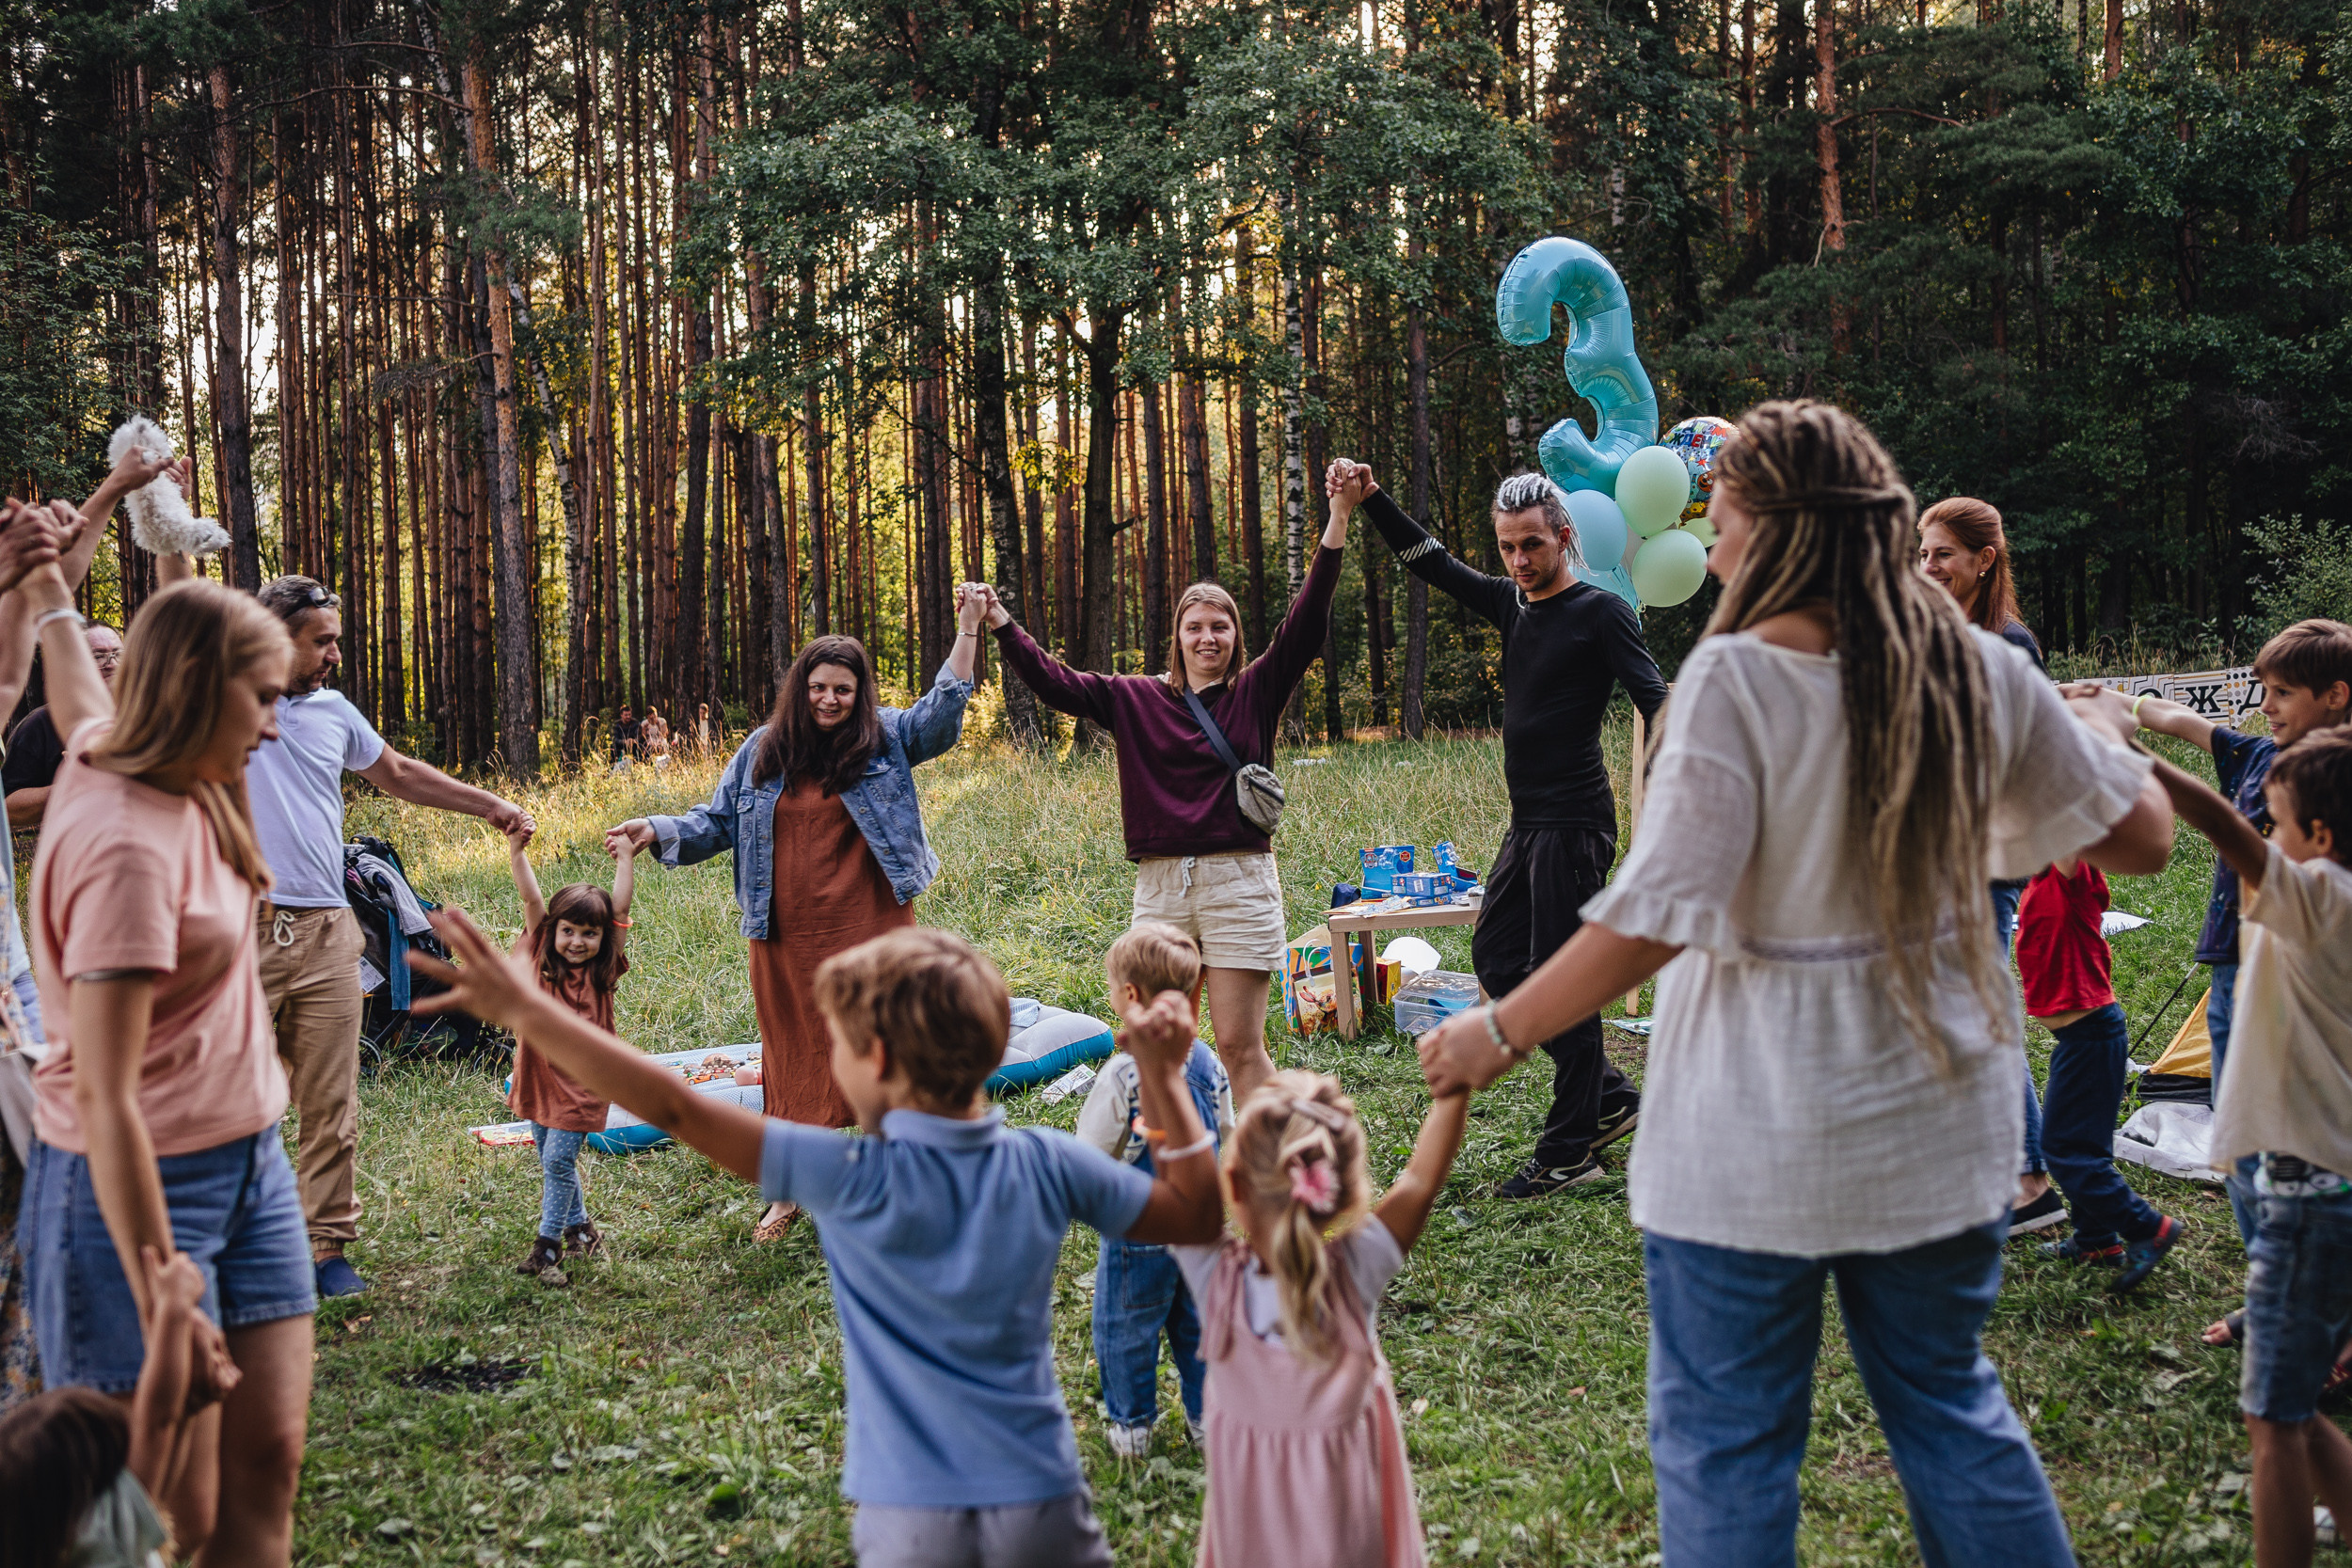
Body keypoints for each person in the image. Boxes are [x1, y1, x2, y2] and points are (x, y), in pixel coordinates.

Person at [1417, 401, 2173, 1565]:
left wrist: (1499, 1028)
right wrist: (2111, 732)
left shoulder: (1733, 683)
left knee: (1725, 1447)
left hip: (1744, 1142)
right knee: (1949, 1412)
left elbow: (1656, 913)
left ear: (1779, 534)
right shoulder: (1977, 668)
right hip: (1933, 1132)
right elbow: (2144, 839)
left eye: (1721, 522)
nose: (1709, 548)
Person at [408, 919, 1222, 1568]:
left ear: (877, 1059)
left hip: (909, 1512)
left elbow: (675, 1106)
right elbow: (1195, 1216)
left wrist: (533, 1013)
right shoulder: (1046, 1163)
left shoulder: (846, 1174)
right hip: (1041, 1492)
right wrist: (1163, 1075)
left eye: (836, 1045)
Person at [23, 576, 320, 1565]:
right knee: (161, 1513)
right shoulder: (124, 851)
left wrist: (50, 589)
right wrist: (163, 1297)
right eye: (263, 697)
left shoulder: (122, 752)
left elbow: (77, 690)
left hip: (253, 1164)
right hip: (134, 1195)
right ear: (194, 684)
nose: (274, 725)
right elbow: (104, 1095)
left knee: (268, 1458)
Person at [607, 596, 985, 1243]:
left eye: (843, 689)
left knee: (889, 1042)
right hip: (786, 932)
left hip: (873, 926)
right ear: (799, 689)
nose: (829, 700)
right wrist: (656, 827)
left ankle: (904, 1175)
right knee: (792, 1053)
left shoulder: (887, 737)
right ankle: (789, 1191)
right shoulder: (764, 749)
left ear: (860, 694)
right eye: (818, 688)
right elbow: (717, 822)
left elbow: (942, 713)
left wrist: (969, 627)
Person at [1340, 458, 1666, 1198]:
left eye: (1533, 545)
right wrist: (1374, 497)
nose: (1519, 560)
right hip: (1529, 825)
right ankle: (1609, 1096)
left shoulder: (1601, 612)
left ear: (1564, 536)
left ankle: (1569, 1151)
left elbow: (1656, 699)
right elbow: (1429, 561)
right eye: (1509, 546)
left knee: (1558, 978)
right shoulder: (1510, 605)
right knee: (1496, 955)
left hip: (1575, 825)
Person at [983, 484, 1354, 1102]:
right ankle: (1178, 1153)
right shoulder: (1134, 697)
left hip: (1239, 883)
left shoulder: (1257, 689)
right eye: (1194, 627)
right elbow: (1056, 683)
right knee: (1158, 1043)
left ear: (1235, 635)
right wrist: (1001, 622)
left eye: (1220, 627)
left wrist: (1338, 516)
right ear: (1177, 636)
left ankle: (1274, 1151)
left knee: (1239, 1046)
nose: (1208, 638)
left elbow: (1308, 619)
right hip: (1161, 889)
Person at [227, 574, 532, 1299]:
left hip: (329, 931)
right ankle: (237, 1241)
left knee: (331, 1100)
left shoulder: (333, 710)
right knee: (234, 1096)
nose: (336, 654)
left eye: (336, 640)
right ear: (274, 638)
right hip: (241, 930)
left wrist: (488, 804)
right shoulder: (224, 700)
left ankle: (326, 1246)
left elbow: (394, 771)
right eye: (322, 641)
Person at [2069, 619, 2352, 1251]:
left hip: (2300, 984)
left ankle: (2295, 1264)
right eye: (2263, 689)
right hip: (2232, 972)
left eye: (2282, 692)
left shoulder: (2334, 787)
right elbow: (2178, 719)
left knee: (2292, 1139)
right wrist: (2111, 702)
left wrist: (2121, 747)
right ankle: (2266, 1262)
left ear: (2336, 694)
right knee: (2239, 1123)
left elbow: (2220, 824)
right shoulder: (2257, 756)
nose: (2265, 705)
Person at [2149, 728, 2352, 1568]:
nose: (2265, 834)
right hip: (2322, 1187)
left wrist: (2131, 758)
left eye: (2277, 821)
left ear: (2321, 836)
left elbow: (2220, 828)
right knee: (2293, 1408)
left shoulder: (2323, 895)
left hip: (2308, 1202)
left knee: (2271, 1420)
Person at [1177, 1069, 1465, 1568]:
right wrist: (1456, 1086)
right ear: (1346, 1193)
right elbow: (1420, 1183)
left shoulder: (1215, 1284)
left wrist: (1161, 1076)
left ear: (1234, 1185)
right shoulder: (1356, 1276)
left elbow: (1182, 1175)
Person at [1915, 497, 2060, 1233]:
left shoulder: (2008, 644)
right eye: (1923, 553)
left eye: (1942, 553)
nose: (1929, 566)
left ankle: (2030, 1180)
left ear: (1984, 559)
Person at [1075, 922, 1234, 1458]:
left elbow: (1092, 1150)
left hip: (1139, 1227)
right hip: (1201, 1229)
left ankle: (1132, 1426)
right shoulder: (1209, 1063)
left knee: (1125, 1327)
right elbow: (1226, 1134)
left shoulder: (1124, 1073)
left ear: (1131, 995)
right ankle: (1207, 1419)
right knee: (1199, 1326)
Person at [0, 1245, 228, 1568]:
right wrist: (175, 1308)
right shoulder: (106, 1542)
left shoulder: (34, 1548)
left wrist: (189, 1409)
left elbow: (160, 1476)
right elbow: (158, 1421)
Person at [2016, 854, 2181, 1284]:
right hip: (2079, 1039)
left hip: (2091, 1036)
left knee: (2065, 1150)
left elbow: (2070, 825)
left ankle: (2147, 1227)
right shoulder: (2036, 878)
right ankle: (2095, 1240)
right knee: (2080, 1144)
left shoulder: (2068, 875)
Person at [501, 818, 636, 1284]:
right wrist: (517, 851)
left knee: (558, 1160)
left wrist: (626, 859)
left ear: (602, 938)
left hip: (584, 1081)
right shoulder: (542, 956)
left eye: (589, 934)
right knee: (550, 1158)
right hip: (538, 1073)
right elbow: (531, 900)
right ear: (553, 931)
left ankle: (548, 1247)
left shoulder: (603, 970)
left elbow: (621, 908)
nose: (578, 942)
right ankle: (582, 1230)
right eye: (569, 931)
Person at [3, 621, 122, 832]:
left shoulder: (151, 716)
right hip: (80, 845)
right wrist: (70, 786)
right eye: (98, 656)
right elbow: (7, 807)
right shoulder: (40, 724)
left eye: (117, 654)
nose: (111, 664)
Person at [642, 706, 672, 770]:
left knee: (663, 743)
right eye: (651, 716)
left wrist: (658, 726)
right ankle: (649, 762)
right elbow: (644, 737)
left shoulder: (662, 721)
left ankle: (663, 756)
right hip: (650, 741)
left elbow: (664, 735)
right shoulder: (644, 723)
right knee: (647, 745)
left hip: (660, 740)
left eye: (654, 715)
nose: (653, 717)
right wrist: (645, 729)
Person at [612, 705, 640, 771]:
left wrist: (632, 741)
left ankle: (638, 763)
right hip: (621, 745)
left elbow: (639, 736)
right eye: (626, 715)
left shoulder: (635, 723)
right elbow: (614, 739)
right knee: (612, 746)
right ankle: (613, 765)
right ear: (621, 715)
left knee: (640, 746)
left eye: (629, 714)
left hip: (633, 745)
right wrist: (624, 741)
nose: (628, 717)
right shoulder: (616, 724)